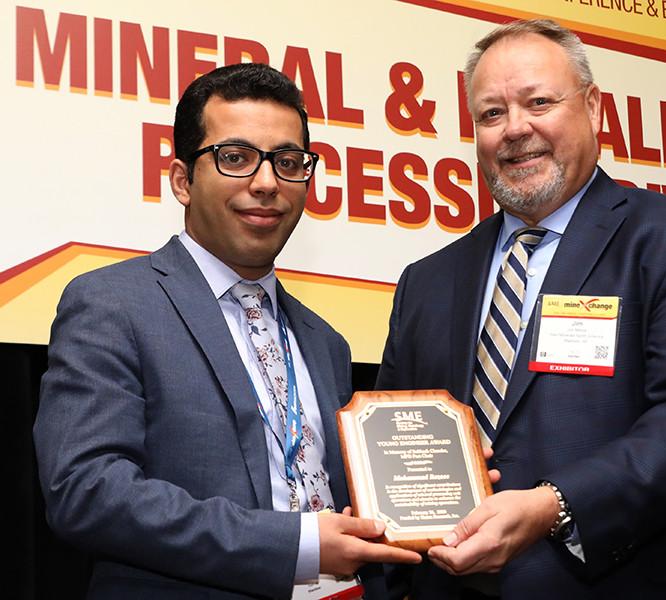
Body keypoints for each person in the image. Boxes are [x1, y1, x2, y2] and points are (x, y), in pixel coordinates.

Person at [376, 19, 666, 599]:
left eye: (539, 103)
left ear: (594, 108)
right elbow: (386, 445)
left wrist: (554, 504)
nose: (515, 130)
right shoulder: (426, 281)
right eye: (490, 114)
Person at [33, 63, 420, 600]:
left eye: (288, 162)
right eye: (235, 158)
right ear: (182, 181)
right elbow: (86, 491)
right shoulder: (113, 303)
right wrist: (297, 544)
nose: (266, 183)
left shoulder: (325, 340)